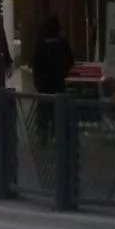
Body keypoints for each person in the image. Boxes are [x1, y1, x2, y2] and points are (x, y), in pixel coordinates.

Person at [29, 14, 75, 144]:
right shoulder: (62, 42)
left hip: (43, 81)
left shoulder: (40, 42)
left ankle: (42, 132)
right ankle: (57, 133)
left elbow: (36, 62)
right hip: (58, 80)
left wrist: (37, 78)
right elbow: (71, 60)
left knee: (44, 106)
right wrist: (64, 72)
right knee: (58, 107)